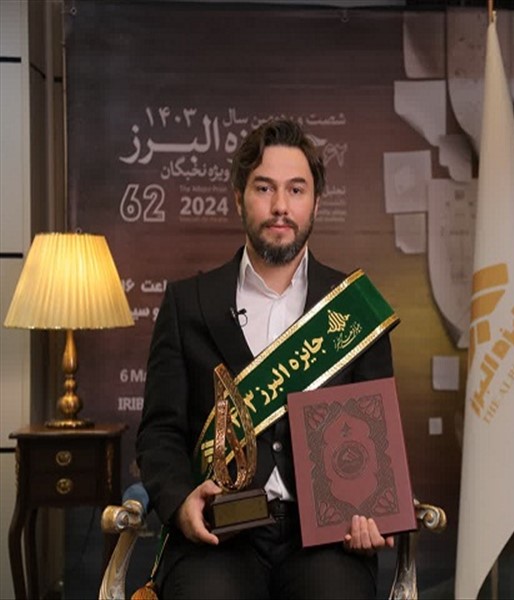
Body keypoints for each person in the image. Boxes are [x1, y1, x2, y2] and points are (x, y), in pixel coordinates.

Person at [136, 118, 395, 599]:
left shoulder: (355, 309)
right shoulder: (186, 304)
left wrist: (372, 513)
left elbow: (378, 446)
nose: (280, 206)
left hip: (327, 541)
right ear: (238, 197)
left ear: (316, 202)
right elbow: (159, 431)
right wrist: (179, 502)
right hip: (217, 534)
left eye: (296, 190)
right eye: (264, 188)